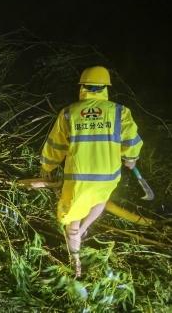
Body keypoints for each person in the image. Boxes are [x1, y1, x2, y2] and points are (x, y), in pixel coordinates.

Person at [40, 66, 143, 277]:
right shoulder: (119, 112)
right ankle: (85, 228)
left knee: (72, 220)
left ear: (82, 87)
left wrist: (47, 167)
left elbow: (56, 145)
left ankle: (75, 266)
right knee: (100, 200)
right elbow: (131, 140)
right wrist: (131, 159)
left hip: (78, 179)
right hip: (108, 176)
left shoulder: (69, 113)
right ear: (105, 87)